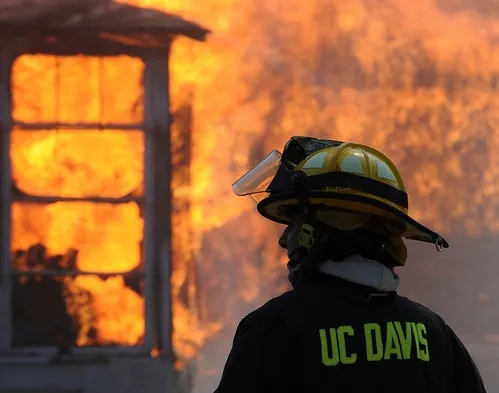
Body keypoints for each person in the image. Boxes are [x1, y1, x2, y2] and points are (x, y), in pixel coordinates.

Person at [213, 136, 487, 393]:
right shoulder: (432, 332)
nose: (285, 241)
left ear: (317, 233)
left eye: (293, 225)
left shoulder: (276, 330)